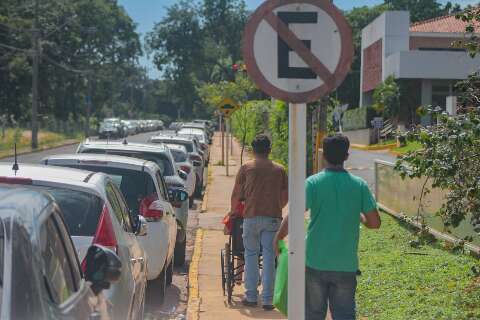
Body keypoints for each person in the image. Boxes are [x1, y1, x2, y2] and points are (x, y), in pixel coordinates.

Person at [274, 134, 381, 320]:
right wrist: (360, 218)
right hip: (346, 264)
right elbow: (375, 223)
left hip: (315, 262)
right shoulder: (359, 185)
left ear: (324, 156)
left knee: (314, 314)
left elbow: (295, 215)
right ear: (346, 156)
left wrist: (278, 237)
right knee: (344, 315)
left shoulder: (313, 183)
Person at [230, 134, 288, 310]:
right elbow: (285, 197)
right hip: (272, 219)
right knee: (270, 257)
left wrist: (233, 211)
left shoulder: (246, 168)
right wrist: (276, 206)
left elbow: (236, 195)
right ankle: (268, 300)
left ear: (253, 150)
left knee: (251, 255)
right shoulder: (279, 170)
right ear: (269, 150)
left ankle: (251, 297)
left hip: (250, 218)